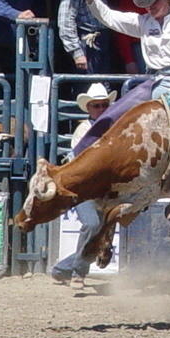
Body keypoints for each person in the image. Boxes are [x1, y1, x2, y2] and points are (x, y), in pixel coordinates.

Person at [69, 0, 170, 158]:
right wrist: (91, 0)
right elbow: (111, 18)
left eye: (154, 1)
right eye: (146, 3)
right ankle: (77, 154)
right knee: (112, 115)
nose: (150, 7)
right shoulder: (144, 22)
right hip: (156, 80)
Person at [50, 82, 115, 286]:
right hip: (84, 188)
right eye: (97, 105)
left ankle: (63, 269)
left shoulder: (113, 128)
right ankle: (78, 272)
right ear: (88, 108)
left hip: (103, 188)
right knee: (92, 225)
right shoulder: (83, 130)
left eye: (104, 105)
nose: (101, 109)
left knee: (97, 231)